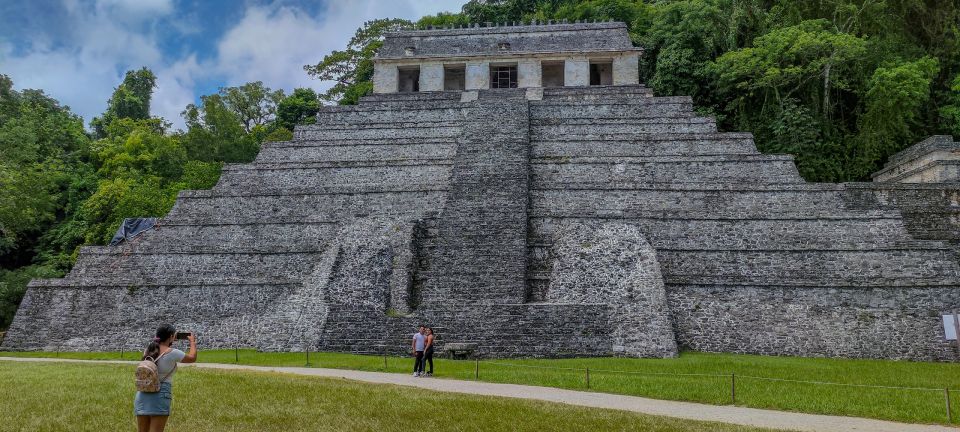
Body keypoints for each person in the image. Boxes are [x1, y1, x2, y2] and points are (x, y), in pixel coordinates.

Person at [135, 324, 197, 432]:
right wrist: (192, 342)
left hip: (143, 394)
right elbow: (192, 358)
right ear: (171, 336)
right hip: (160, 393)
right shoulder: (172, 353)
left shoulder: (148, 350)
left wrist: (171, 338)